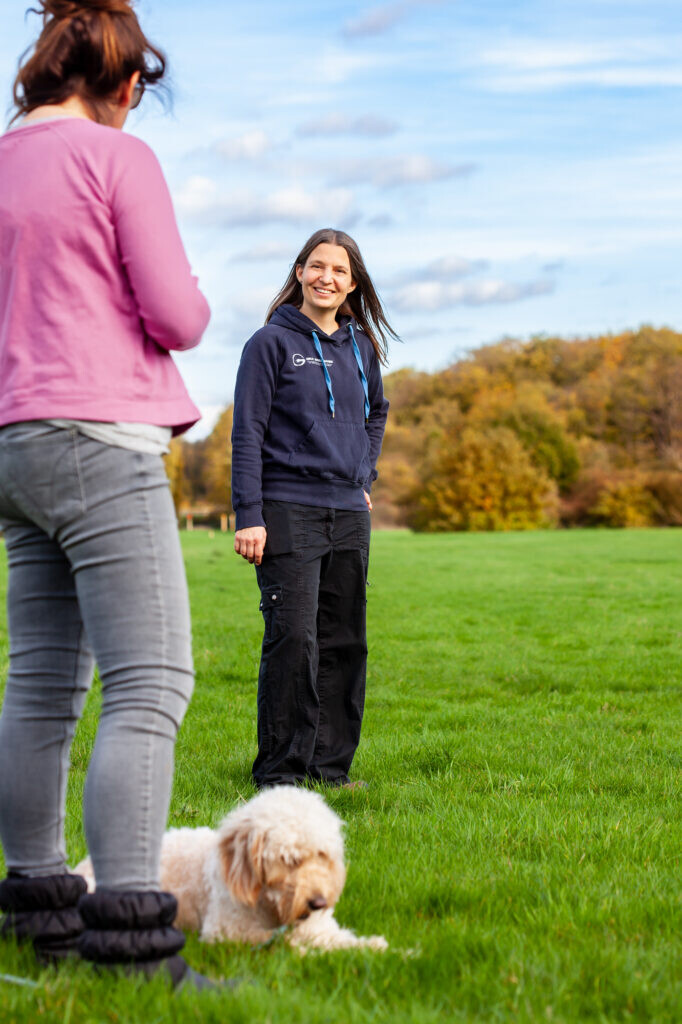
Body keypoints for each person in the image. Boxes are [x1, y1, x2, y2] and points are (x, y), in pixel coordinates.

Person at [0, 0, 216, 990]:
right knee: (151, 680)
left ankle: (34, 914)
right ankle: (131, 941)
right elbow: (175, 313)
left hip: (12, 444)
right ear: (126, 84)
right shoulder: (116, 158)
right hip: (98, 439)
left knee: (40, 685)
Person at [232, 228, 397, 790]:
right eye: (318, 266)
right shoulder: (269, 344)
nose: (328, 277)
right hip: (287, 510)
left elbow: (377, 412)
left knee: (344, 640)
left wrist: (363, 470)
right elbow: (247, 432)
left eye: (340, 271)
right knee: (293, 639)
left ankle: (331, 770)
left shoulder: (361, 347)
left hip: (350, 512)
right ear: (300, 271)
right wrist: (248, 514)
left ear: (353, 284)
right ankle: (281, 772)